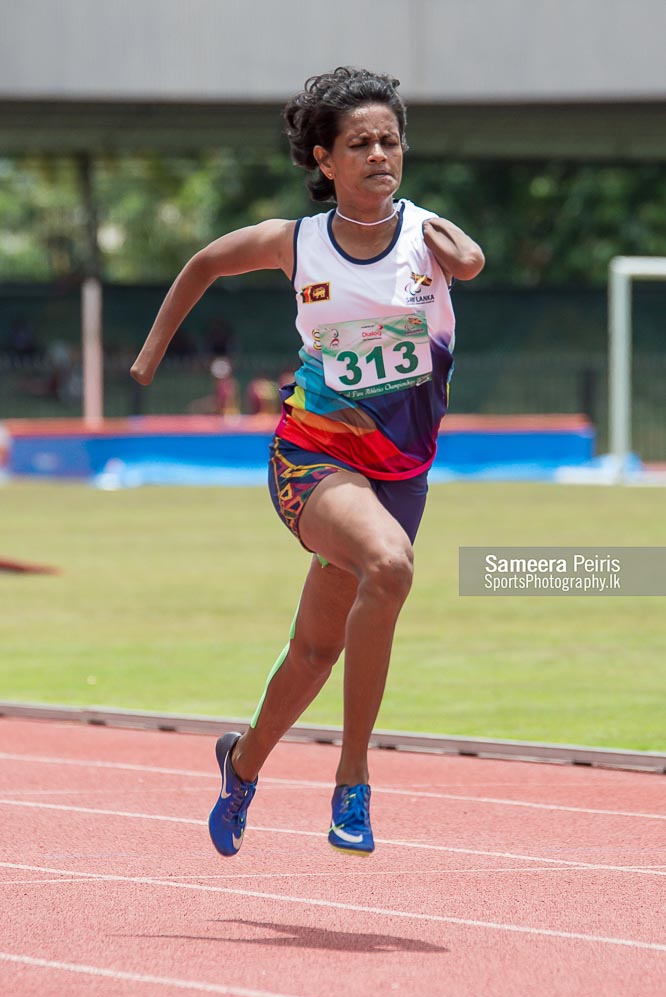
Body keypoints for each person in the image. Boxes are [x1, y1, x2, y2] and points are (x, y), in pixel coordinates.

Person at [131, 66, 484, 857]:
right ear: (325, 159)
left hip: (399, 474)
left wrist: (461, 250)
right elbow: (204, 263)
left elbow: (469, 264)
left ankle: (241, 763)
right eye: (359, 143)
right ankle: (353, 780)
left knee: (318, 649)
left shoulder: (427, 236)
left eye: (390, 140)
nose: (379, 154)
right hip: (312, 458)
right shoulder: (296, 244)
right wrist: (151, 353)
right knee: (389, 566)